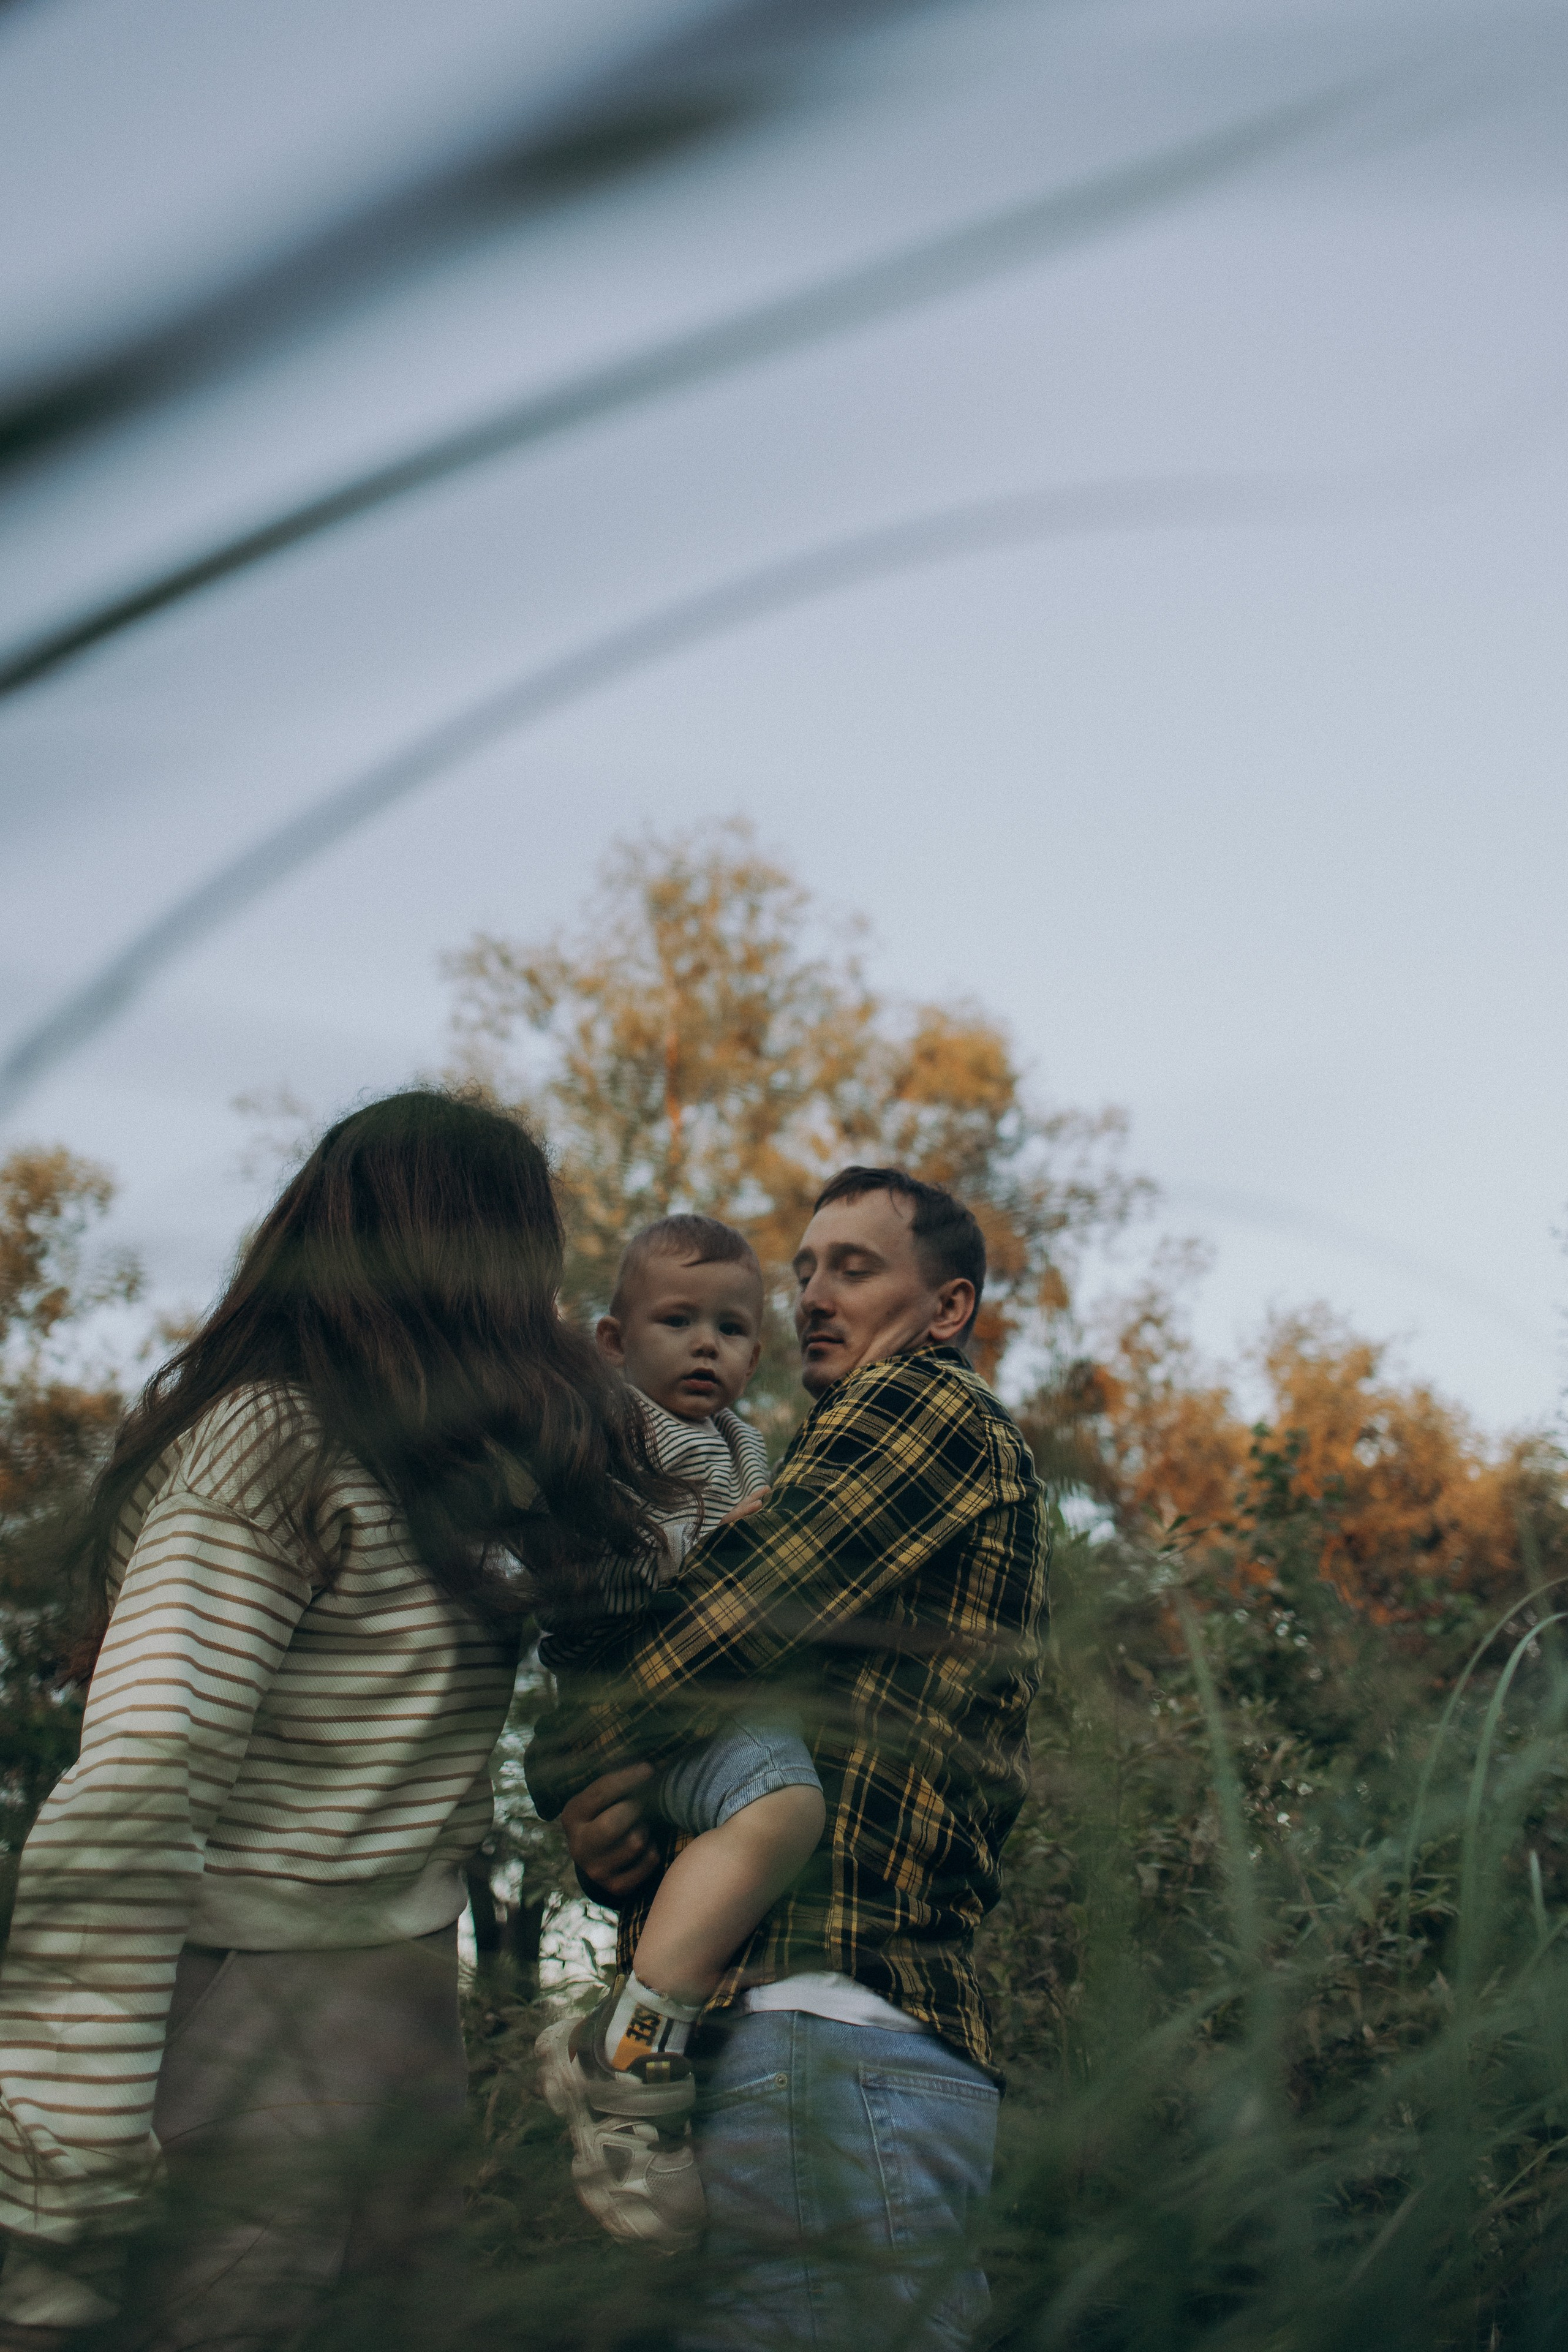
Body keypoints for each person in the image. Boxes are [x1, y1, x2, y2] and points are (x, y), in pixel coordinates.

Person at [0, 1090, 678, 2352]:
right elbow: (133, 1798)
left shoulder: (457, 1482)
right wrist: (52, 2211)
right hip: (240, 2017)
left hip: (400, 2015)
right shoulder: (269, 1441)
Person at [527, 1166, 1049, 2352]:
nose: (813, 1293)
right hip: (791, 2043)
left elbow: (725, 1626)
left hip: (837, 2033)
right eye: (805, 1269)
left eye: (853, 1268)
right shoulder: (771, 1458)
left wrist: (558, 1761)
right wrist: (623, 1834)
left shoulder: (921, 1409)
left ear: (945, 1309)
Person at [534, 1214, 825, 2254]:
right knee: (785, 1805)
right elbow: (602, 1558)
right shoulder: (611, 1430)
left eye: (734, 1329)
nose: (708, 1346)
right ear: (616, 1343)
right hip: (632, 1685)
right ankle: (631, 2052)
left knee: (733, 1854)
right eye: (678, 1321)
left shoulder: (749, 1444)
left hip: (704, 1708)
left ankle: (640, 2046)